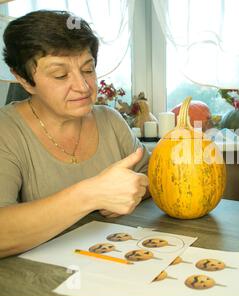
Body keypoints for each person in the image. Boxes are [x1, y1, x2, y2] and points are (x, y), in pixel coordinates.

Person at [0, 10, 150, 258]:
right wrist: (92, 195)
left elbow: (152, 177)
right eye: (60, 74)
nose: (83, 86)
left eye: (88, 70)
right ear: (23, 80)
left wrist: (137, 190)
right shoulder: (6, 131)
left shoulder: (111, 120)